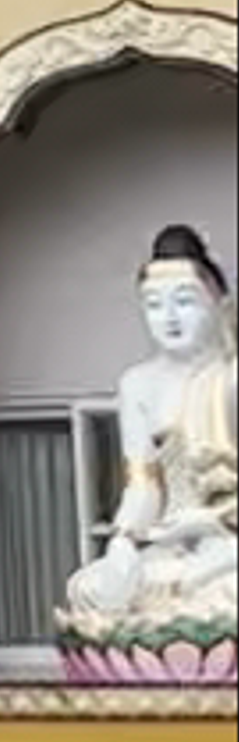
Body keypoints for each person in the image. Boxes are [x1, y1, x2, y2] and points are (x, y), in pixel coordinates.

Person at [58, 232, 239, 655]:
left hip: (227, 536)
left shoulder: (231, 379)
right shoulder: (138, 385)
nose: (169, 318)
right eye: (154, 305)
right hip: (172, 538)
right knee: (91, 590)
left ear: (220, 306)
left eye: (185, 301)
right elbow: (145, 487)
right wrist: (122, 543)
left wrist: (209, 524)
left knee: (222, 589)